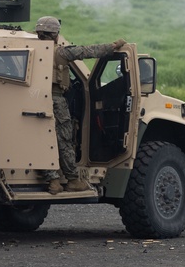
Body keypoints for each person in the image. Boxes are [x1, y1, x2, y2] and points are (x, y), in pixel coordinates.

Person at [35, 16, 126, 194]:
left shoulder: (29, 49)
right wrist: (113, 46)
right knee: (63, 139)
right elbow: (87, 51)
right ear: (55, 34)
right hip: (56, 100)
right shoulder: (60, 52)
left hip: (33, 100)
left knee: (41, 138)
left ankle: (53, 180)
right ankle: (72, 180)